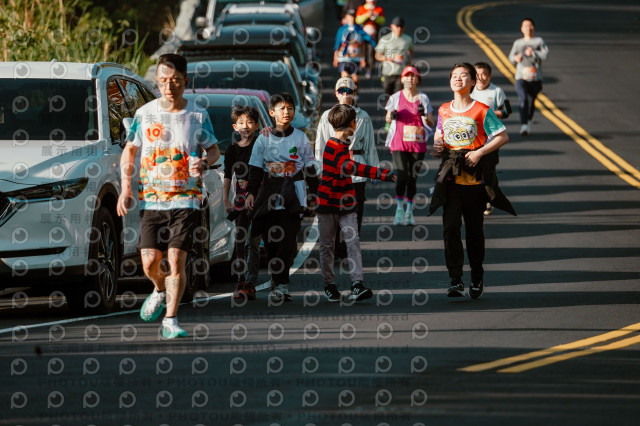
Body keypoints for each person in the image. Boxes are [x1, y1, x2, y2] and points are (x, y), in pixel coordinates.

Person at [117, 53, 220, 338]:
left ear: (185, 80)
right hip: (152, 199)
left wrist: (205, 162)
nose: (168, 86)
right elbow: (130, 150)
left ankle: (171, 320)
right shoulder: (145, 114)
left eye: (174, 80)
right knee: (150, 262)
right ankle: (159, 289)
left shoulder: (198, 115)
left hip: (187, 199)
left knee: (176, 259)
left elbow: (214, 149)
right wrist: (126, 187)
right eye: (162, 80)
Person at [430, 63, 514, 299]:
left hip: (475, 181)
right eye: (454, 76)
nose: (458, 79)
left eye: (463, 75)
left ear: (473, 82)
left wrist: (479, 153)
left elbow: (502, 136)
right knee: (450, 229)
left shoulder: (481, 110)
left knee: (474, 231)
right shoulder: (444, 109)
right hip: (451, 179)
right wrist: (438, 144)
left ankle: (477, 276)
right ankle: (455, 279)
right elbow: (439, 133)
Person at [245, 93, 319, 303]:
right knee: (271, 241)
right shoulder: (264, 138)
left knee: (288, 240)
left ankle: (281, 284)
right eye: (282, 108)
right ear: (272, 112)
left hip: (293, 193)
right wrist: (251, 193)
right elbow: (255, 169)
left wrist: (315, 194)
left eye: (290, 108)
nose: (286, 112)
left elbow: (309, 166)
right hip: (269, 193)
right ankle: (276, 280)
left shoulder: (300, 137)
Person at [318, 104, 396, 302]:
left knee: (353, 242)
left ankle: (357, 284)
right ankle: (329, 284)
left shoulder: (343, 145)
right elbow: (350, 167)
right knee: (327, 245)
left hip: (347, 202)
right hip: (328, 203)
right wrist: (381, 173)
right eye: (355, 121)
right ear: (352, 123)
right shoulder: (332, 146)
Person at [315, 77, 378, 259]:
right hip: (334, 168)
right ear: (336, 93)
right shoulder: (327, 116)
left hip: (356, 167)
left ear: (354, 93)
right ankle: (335, 248)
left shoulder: (363, 117)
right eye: (341, 91)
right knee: (334, 209)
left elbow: (370, 146)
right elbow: (320, 145)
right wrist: (320, 169)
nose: (345, 94)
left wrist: (374, 170)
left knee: (355, 211)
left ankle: (350, 248)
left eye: (348, 91)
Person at [384, 66, 434, 226]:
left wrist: (424, 115)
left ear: (417, 79)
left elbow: (431, 122)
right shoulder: (395, 97)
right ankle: (399, 208)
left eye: (413, 76)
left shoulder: (423, 98)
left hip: (417, 143)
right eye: (407, 76)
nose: (410, 79)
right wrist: (392, 116)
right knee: (402, 175)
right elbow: (387, 118)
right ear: (402, 79)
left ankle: (409, 211)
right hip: (399, 141)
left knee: (412, 178)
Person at [223, 106, 261, 301]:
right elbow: (228, 175)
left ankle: (250, 282)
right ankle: (240, 279)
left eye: (250, 122)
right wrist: (225, 198)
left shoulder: (260, 145)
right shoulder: (232, 149)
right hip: (239, 201)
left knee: (253, 241)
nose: (245, 126)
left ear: (256, 125)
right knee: (239, 240)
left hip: (258, 200)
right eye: (241, 123)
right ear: (235, 127)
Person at [471, 62, 512, 215]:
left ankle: (489, 200)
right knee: (472, 172)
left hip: (491, 141)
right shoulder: (469, 90)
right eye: (477, 75)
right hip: (471, 140)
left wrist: (489, 114)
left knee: (488, 172)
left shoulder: (497, 91)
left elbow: (507, 110)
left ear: (490, 76)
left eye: (484, 74)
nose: (481, 78)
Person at [508, 17, 549, 136]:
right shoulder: (518, 43)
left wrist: (534, 53)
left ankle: (528, 121)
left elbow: (546, 55)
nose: (528, 28)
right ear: (521, 28)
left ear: (533, 27)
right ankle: (524, 125)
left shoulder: (539, 41)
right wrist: (515, 58)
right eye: (525, 26)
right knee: (523, 98)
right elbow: (510, 57)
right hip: (521, 77)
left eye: (530, 25)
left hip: (535, 78)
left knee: (531, 102)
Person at [333, 9, 376, 87]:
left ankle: (354, 93)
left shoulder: (359, 29)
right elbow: (337, 44)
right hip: (344, 57)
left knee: (355, 79)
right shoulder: (342, 29)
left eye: (353, 16)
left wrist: (377, 48)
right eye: (350, 16)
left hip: (356, 57)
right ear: (346, 17)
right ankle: (344, 93)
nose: (352, 18)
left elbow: (368, 39)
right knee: (344, 77)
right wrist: (335, 57)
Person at [375, 16, 414, 99]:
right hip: (388, 73)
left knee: (398, 96)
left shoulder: (408, 39)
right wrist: (388, 59)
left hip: (401, 73)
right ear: (391, 26)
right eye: (397, 26)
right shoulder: (385, 39)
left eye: (401, 27)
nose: (399, 29)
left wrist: (409, 62)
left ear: (404, 28)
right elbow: (377, 55)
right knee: (388, 96)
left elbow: (411, 50)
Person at [355, 0, 385, 79]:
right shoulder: (361, 8)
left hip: (373, 36)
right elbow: (358, 20)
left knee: (371, 52)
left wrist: (375, 17)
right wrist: (367, 15)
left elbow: (382, 20)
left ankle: (370, 68)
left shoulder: (378, 9)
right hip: (362, 36)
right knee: (362, 51)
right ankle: (362, 65)